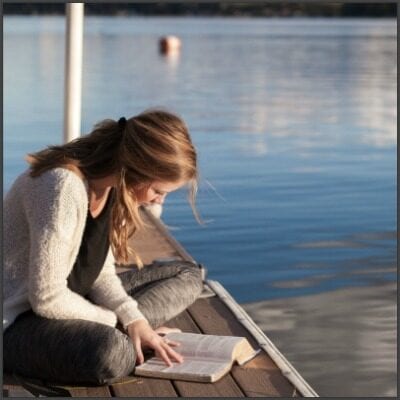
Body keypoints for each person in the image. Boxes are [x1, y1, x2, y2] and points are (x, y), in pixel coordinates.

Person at [3, 108, 204, 385]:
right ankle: (125, 337)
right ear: (136, 169)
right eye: (158, 191)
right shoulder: (61, 187)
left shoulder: (109, 188)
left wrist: (135, 320)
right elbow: (46, 298)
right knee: (113, 353)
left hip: (74, 303)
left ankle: (134, 333)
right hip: (18, 322)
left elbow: (101, 273)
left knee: (188, 275)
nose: (159, 201)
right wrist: (116, 321)